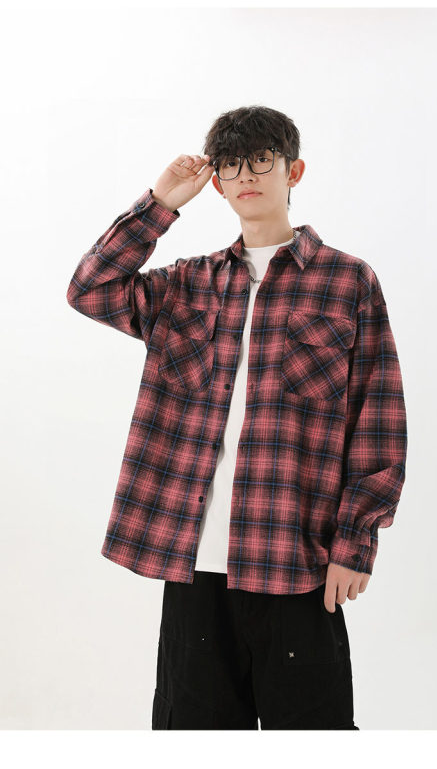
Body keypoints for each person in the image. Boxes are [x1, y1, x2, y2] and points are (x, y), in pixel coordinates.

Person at [66, 105, 408, 729]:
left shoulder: (348, 282)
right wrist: (159, 204)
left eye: (261, 161)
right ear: (218, 183)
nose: (246, 175)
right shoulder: (187, 285)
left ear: (292, 171)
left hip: (297, 561)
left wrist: (356, 542)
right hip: (194, 562)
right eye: (231, 165)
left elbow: (377, 418)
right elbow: (90, 290)